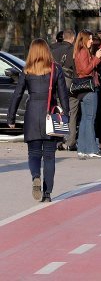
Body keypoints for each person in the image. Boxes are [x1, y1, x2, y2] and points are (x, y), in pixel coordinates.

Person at [7, 39, 70, 202]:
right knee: (49, 156)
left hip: (32, 115)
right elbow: (63, 95)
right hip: (50, 114)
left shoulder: (27, 69)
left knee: (33, 154)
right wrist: (66, 116)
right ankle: (47, 193)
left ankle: (36, 176)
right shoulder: (56, 69)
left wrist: (11, 117)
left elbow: (18, 94)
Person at [73, 30, 101, 159]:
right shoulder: (83, 52)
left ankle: (82, 148)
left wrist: (98, 59)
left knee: (85, 120)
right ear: (84, 39)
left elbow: (89, 67)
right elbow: (86, 70)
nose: (92, 41)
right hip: (89, 88)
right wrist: (97, 58)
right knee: (89, 119)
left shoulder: (80, 52)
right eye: (90, 39)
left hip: (82, 89)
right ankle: (92, 148)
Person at [51, 29, 77, 150]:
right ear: (72, 38)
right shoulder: (73, 50)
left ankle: (59, 140)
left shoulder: (53, 50)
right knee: (72, 112)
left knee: (58, 111)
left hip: (56, 84)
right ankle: (70, 142)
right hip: (70, 85)